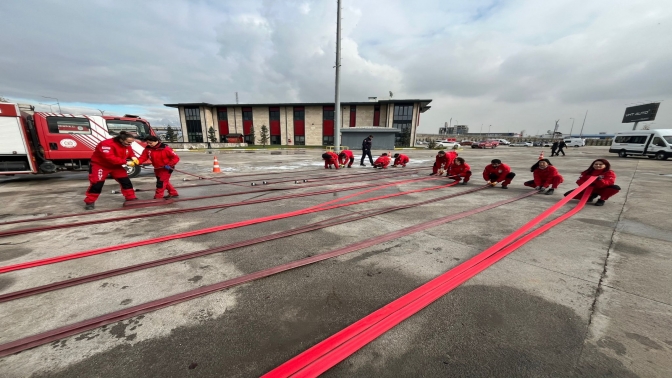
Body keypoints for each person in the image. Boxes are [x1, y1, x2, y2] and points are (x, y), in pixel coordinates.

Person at [83, 131, 139, 210]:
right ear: (121, 139)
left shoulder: (126, 144)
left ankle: (131, 198)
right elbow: (109, 158)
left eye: (131, 142)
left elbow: (129, 151)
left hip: (116, 166)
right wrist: (126, 162)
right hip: (101, 165)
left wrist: (133, 157)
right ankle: (90, 201)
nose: (130, 144)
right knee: (97, 184)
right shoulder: (106, 144)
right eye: (128, 142)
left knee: (125, 181)